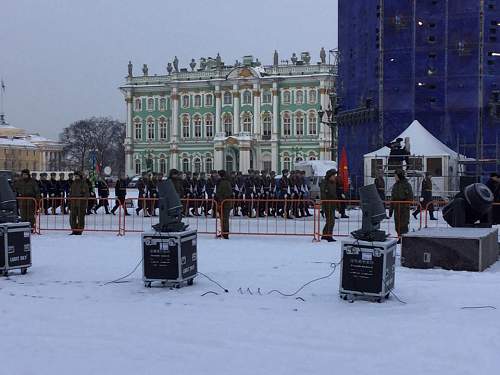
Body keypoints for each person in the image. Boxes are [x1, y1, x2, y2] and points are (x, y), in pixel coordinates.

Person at [390, 169, 414, 242]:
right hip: (397, 207)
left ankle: (404, 239)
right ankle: (399, 237)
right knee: (397, 224)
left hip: (404, 208)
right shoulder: (395, 185)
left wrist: (406, 204)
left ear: (399, 176)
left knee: (404, 224)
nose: (395, 177)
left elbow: (410, 196)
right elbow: (392, 198)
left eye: (395, 175)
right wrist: (391, 210)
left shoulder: (406, 185)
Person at [320, 169, 338, 242]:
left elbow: (334, 193)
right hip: (327, 204)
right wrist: (324, 204)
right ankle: (327, 235)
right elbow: (323, 194)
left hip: (332, 203)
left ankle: (326, 235)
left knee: (331, 221)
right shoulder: (325, 182)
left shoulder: (333, 183)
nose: (334, 177)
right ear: (329, 176)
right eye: (333, 175)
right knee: (330, 221)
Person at [215, 170, 232, 239]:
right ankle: (223, 232)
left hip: (224, 203)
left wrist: (219, 200)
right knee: (223, 218)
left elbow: (222, 193)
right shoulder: (225, 181)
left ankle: (225, 233)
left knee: (224, 218)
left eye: (218, 175)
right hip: (224, 202)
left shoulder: (223, 182)